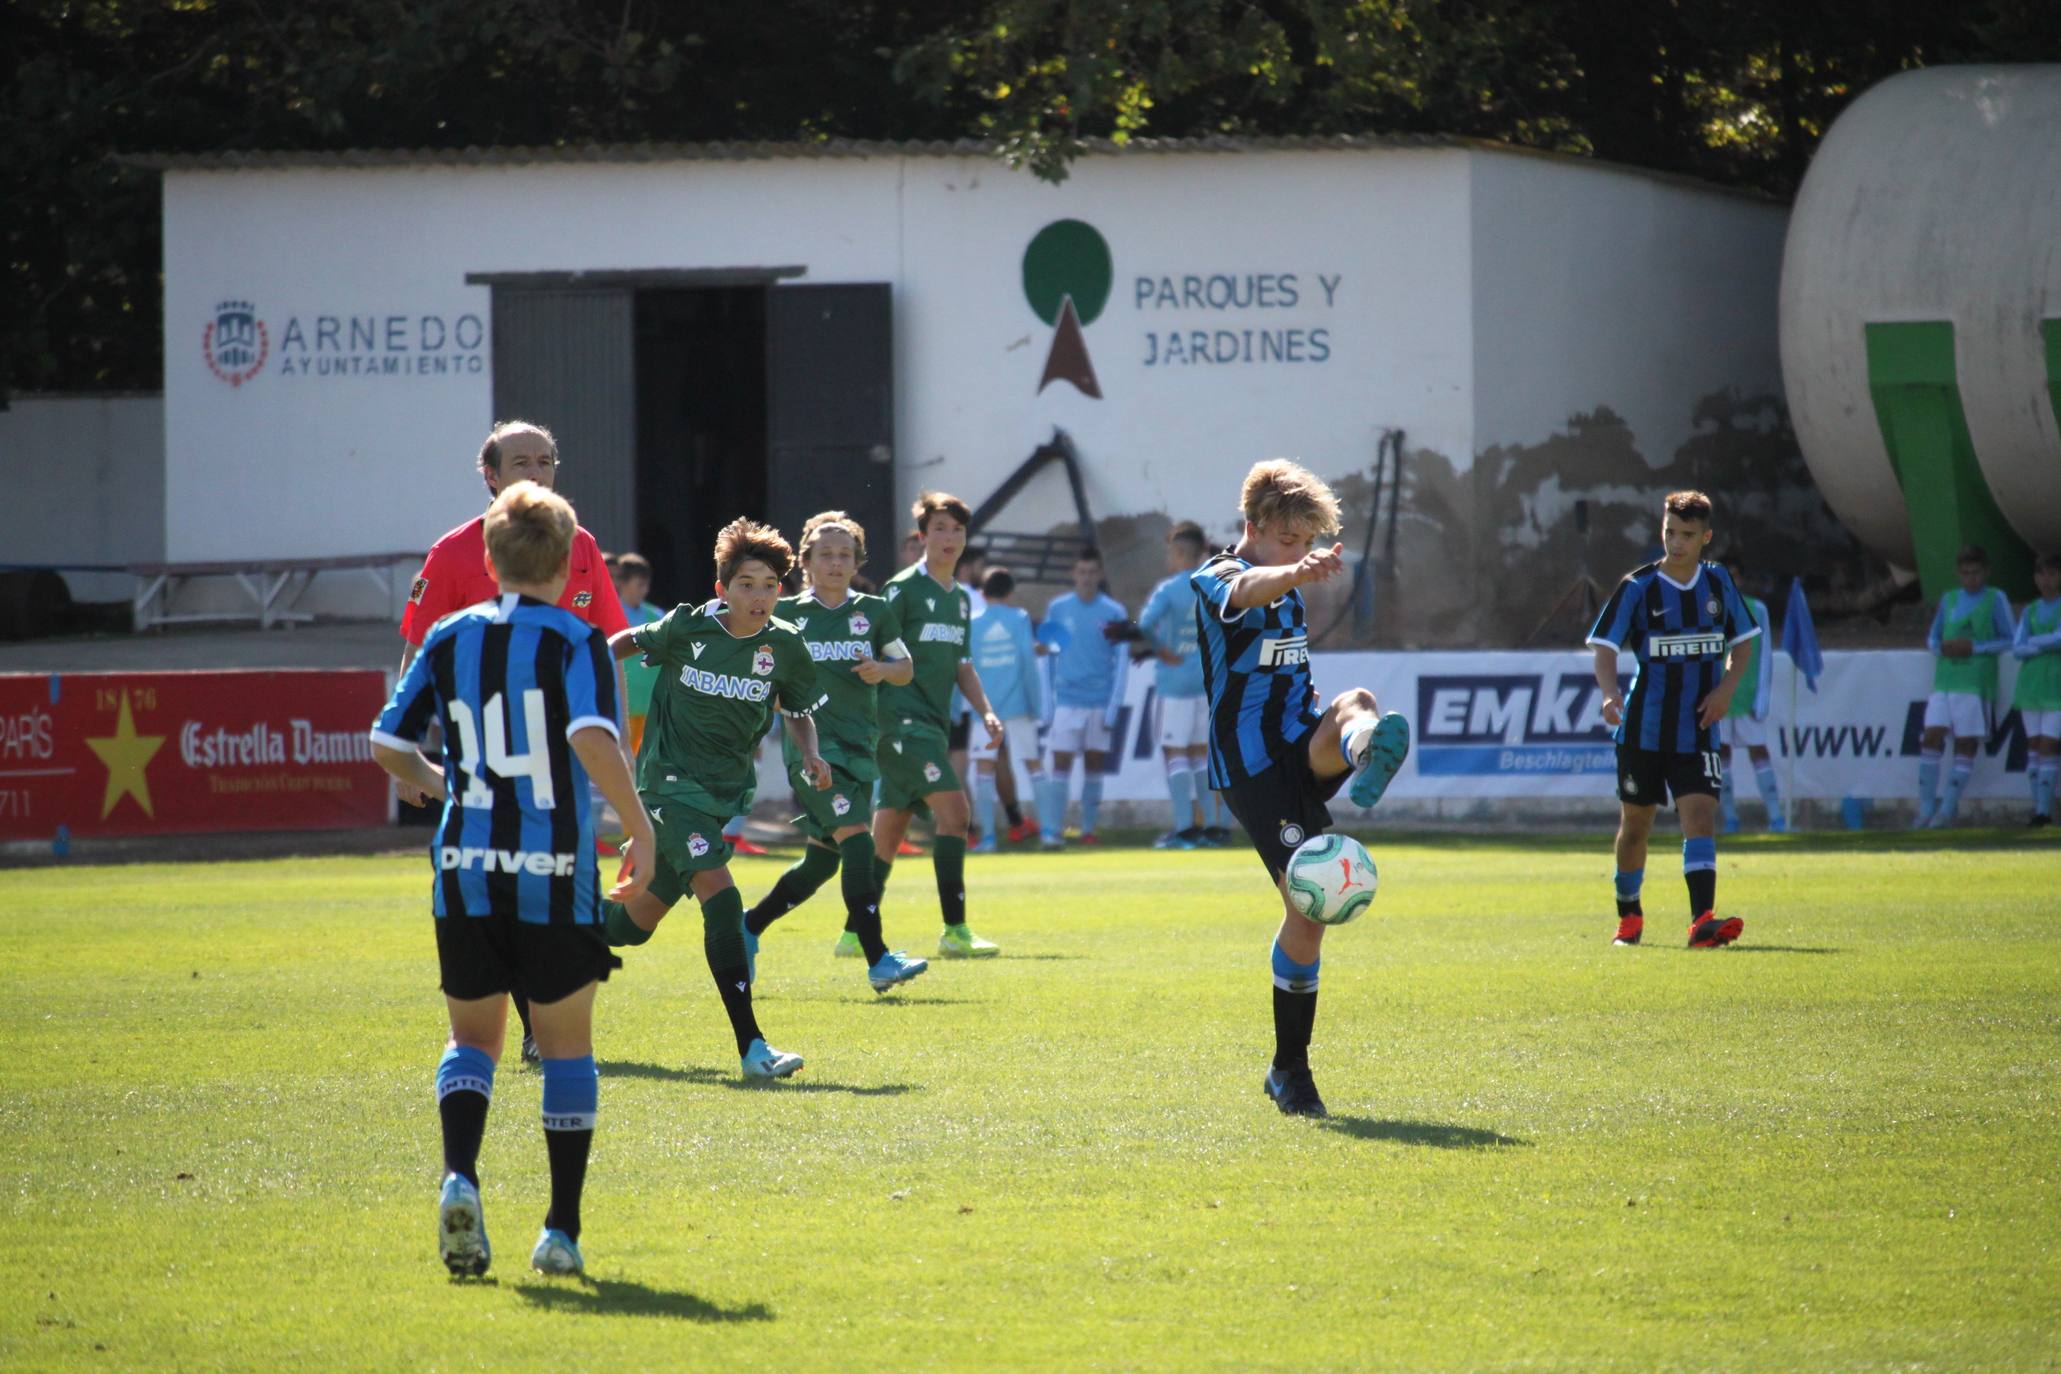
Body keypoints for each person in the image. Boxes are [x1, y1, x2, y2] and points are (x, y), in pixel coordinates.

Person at [369, 482, 655, 1279]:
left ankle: (460, 1175)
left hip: (462, 866)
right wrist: (639, 825)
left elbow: (387, 743)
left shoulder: (450, 636)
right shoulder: (575, 639)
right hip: (552, 870)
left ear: (489, 558)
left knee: (473, 1042)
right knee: (566, 1050)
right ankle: (560, 1230)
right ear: (568, 563)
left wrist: (438, 780)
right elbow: (595, 739)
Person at [397, 420, 632, 1067]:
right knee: (497, 878)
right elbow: (418, 645)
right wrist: (406, 748)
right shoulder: (452, 552)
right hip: (484, 755)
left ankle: (535, 1021)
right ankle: (508, 1024)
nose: (535, 470)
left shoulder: (580, 545)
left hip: (563, 753)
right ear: (490, 476)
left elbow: (608, 644)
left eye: (545, 460)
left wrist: (620, 746)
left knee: (550, 878)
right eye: (519, 460)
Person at [1196, 460, 1411, 1119]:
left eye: (1307, 542)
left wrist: (1294, 572)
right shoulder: (1215, 579)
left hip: (1297, 744)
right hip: (1252, 770)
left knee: (1358, 701)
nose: (1300, 553)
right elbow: (1250, 587)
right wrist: (1292, 571)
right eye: (1288, 540)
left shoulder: (1287, 583)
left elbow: (1287, 659)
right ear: (1252, 527)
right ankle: (1288, 1070)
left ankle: (1366, 749)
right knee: (1309, 915)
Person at [599, 518, 830, 1078]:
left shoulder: (786, 646)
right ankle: (753, 1048)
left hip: (719, 797)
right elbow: (612, 646)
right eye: (747, 584)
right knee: (722, 897)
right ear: (722, 588)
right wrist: (589, 702)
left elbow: (797, 709)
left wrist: (811, 754)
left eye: (771, 585)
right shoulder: (687, 627)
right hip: (666, 787)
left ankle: (546, 938)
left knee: (631, 928)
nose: (759, 596)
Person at [739, 511, 929, 991]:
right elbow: (764, 670)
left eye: (845, 554)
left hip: (862, 746)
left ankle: (750, 925)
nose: (836, 562)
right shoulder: (787, 614)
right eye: (826, 554)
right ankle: (879, 959)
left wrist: (882, 671)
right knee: (858, 840)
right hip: (813, 752)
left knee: (823, 861)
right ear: (805, 561)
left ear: (857, 560)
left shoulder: (875, 611)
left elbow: (904, 666)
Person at [1588, 490, 1759, 950]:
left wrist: (1726, 690)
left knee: (1701, 815)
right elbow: (1604, 647)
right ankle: (1629, 916)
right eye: (1669, 532)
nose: (1676, 542)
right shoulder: (1638, 587)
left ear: (1706, 537)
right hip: (1643, 728)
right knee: (1636, 826)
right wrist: (1609, 695)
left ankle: (1702, 921)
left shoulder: (1719, 584)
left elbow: (1743, 643)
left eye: (1686, 535)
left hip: (1697, 727)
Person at [873, 491, 1007, 958]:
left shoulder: (963, 602)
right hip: (899, 725)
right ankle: (954, 930)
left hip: (932, 723)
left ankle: (854, 930)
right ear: (922, 536)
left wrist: (985, 710)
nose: (950, 538)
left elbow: (962, 665)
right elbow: (874, 653)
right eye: (940, 529)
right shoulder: (902, 590)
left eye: (957, 530)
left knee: (888, 834)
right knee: (956, 814)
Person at [1917, 545, 2016, 828]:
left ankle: (1946, 811)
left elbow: (2010, 638)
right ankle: (1925, 809)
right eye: (1965, 573)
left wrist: (1975, 647)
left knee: (1966, 743)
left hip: (1974, 682)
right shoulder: (1949, 599)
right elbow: (1932, 639)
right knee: (1931, 737)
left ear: (1986, 572)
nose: (1970, 578)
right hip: (1945, 681)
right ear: (1958, 574)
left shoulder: (1996, 599)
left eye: (1975, 573)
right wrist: (1941, 648)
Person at [1036, 547, 1129, 847]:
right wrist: (1048, 706)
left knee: (1094, 767)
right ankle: (1053, 831)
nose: (1087, 577)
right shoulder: (1058, 609)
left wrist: (1113, 709)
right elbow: (1047, 658)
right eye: (1082, 572)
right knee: (1060, 764)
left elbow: (1123, 662)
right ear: (1073, 574)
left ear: (1099, 575)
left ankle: (1088, 830)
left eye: (1092, 572)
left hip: (1099, 703)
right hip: (1067, 702)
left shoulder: (1114, 612)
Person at [1139, 520, 1221, 848]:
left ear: (1176, 553)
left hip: (1174, 683)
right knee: (1201, 753)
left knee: (1175, 753)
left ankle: (1185, 827)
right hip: (1205, 682)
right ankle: (1212, 827)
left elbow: (1144, 624)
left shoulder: (1168, 589)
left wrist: (1162, 650)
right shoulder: (1212, 587)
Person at [967, 566, 1044, 853]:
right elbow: (1028, 663)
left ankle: (987, 838)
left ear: (983, 594)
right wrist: (1036, 704)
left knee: (984, 770)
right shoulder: (1020, 618)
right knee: (1034, 765)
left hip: (983, 709)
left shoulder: (971, 623)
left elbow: (965, 668)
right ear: (1010, 593)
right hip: (1018, 706)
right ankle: (1050, 834)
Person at [1717, 558, 1784, 834]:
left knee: (1759, 752)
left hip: (1747, 696)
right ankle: (1731, 819)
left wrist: (1762, 698)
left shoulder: (1757, 609)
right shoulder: (1708, 610)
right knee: (1721, 756)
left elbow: (1766, 654)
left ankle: (1777, 817)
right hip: (1718, 698)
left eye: (1734, 576)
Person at [2010, 552, 2061, 827]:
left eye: (2052, 573)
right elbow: (2017, 648)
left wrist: (2035, 643)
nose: (2046, 580)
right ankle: (2039, 809)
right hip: (2030, 685)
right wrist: (2042, 643)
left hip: (2056, 684)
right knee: (2033, 746)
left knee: (2049, 744)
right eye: (2041, 574)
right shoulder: (2030, 611)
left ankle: (2044, 810)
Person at [946, 545, 991, 838]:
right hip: (961, 698)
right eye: (979, 566)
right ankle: (966, 826)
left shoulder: (942, 595)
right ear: (967, 567)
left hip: (943, 696)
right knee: (957, 768)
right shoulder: (972, 599)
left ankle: (962, 826)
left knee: (951, 768)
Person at [611, 553, 664, 757]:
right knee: (624, 759)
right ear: (622, 583)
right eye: (639, 584)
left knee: (650, 761)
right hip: (624, 704)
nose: (644, 590)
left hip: (651, 703)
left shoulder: (656, 616)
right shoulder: (611, 613)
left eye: (646, 584)